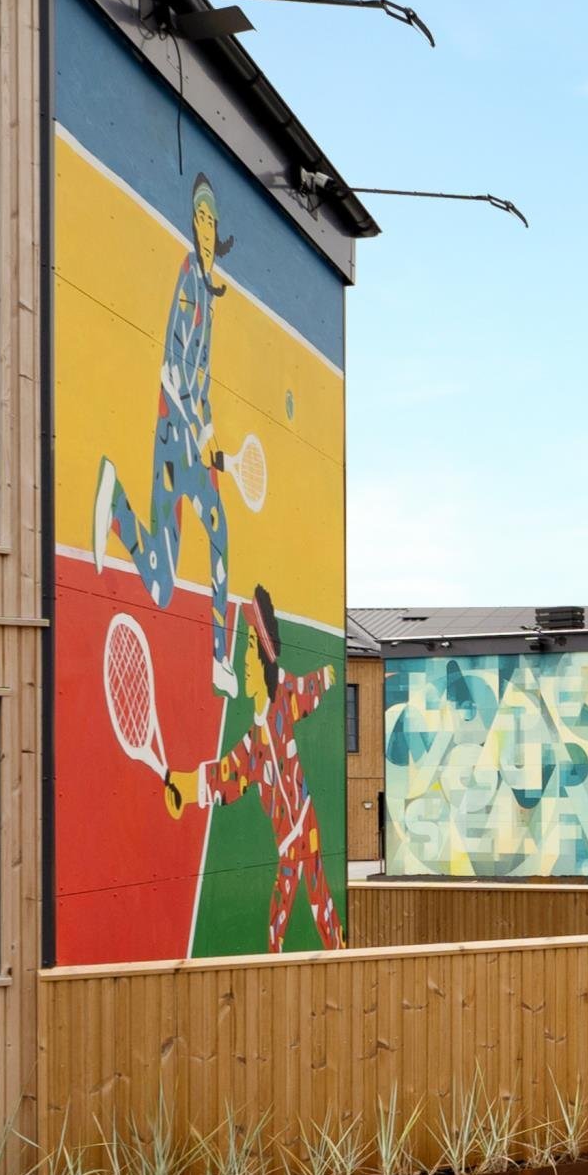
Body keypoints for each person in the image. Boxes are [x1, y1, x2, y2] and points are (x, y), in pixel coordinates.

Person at [93, 176, 241, 693]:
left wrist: (212, 433)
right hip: (174, 434)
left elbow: (203, 381)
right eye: (199, 219)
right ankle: (115, 506)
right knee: (209, 544)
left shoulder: (211, 292)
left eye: (210, 220)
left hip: (192, 438)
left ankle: (118, 509)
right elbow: (175, 368)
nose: (205, 229)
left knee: (168, 580)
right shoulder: (188, 280)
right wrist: (198, 431)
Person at [166, 586, 342, 951]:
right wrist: (184, 786)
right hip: (289, 839)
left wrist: (329, 674)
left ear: (263, 655)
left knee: (319, 903)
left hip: (304, 825)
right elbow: (226, 776)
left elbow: (308, 688)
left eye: (248, 647)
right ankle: (292, 958)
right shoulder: (254, 743)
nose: (244, 660)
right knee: (286, 914)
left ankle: (333, 954)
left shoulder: (282, 698)